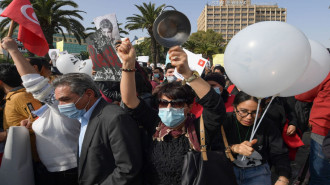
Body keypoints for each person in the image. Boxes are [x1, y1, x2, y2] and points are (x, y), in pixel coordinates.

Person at [1, 37, 143, 185]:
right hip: (52, 173)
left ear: (88, 94)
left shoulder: (112, 117)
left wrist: (14, 51)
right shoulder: (81, 112)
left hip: (70, 174)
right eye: (57, 99)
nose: (60, 104)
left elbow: (127, 168)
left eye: (65, 99)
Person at [118, 39, 226, 184]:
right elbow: (130, 101)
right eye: (163, 103)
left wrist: (188, 73)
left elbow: (215, 106)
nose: (168, 108)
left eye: (176, 104)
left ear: (188, 106)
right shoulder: (155, 125)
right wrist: (128, 65)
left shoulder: (200, 129)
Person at [223, 91, 291, 185]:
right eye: (243, 111)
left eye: (255, 112)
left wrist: (283, 177)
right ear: (234, 108)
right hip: (228, 169)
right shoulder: (225, 122)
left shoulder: (268, 125)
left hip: (258, 171)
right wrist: (234, 148)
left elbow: (279, 153)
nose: (249, 117)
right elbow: (214, 148)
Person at [295, 72, 330, 185]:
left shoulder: (325, 73)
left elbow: (302, 95)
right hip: (323, 127)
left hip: (323, 127)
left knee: (320, 174)